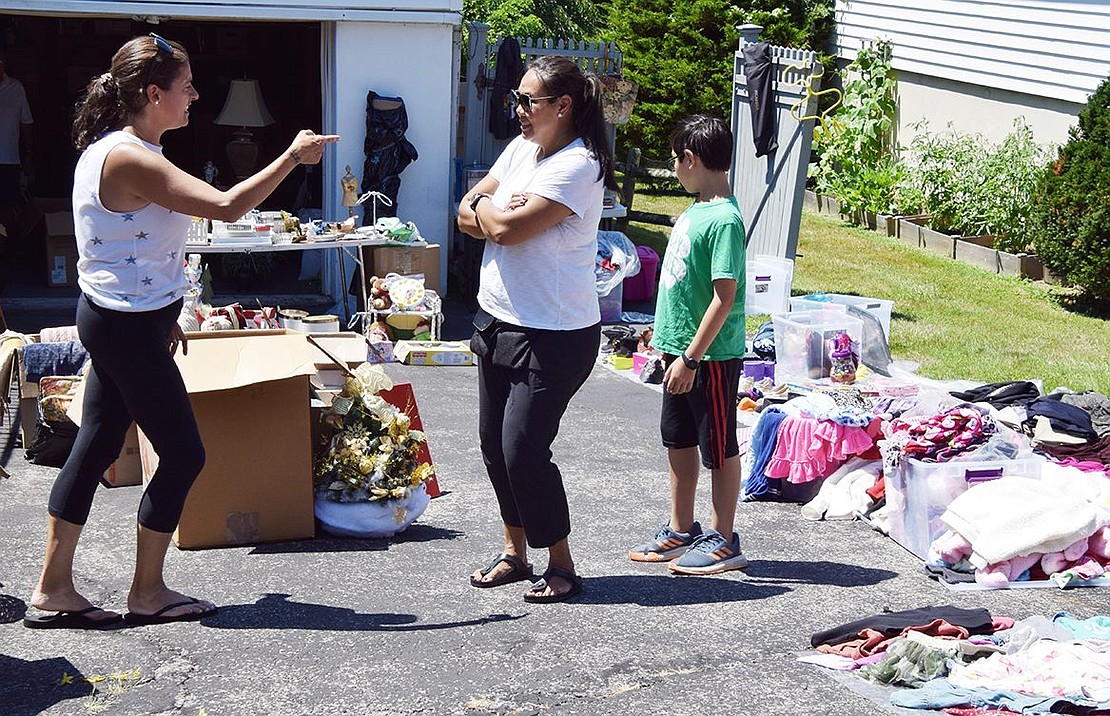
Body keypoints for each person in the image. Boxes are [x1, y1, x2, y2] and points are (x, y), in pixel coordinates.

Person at [24, 34, 338, 630]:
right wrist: (291, 157)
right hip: (126, 330)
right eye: (186, 85)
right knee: (185, 454)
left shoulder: (117, 149)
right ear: (152, 93)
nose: (194, 95)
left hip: (122, 323)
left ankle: (53, 587)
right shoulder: (131, 157)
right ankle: (144, 592)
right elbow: (224, 207)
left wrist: (164, 312)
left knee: (92, 448)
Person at [458, 55, 617, 603]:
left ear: (563, 106)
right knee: (491, 445)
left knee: (523, 448)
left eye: (529, 101)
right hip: (497, 317)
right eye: (517, 99)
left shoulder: (579, 165)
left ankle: (562, 563)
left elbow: (505, 230)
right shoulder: (524, 148)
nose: (519, 110)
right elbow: (467, 213)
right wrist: (493, 206)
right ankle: (514, 553)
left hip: (556, 333)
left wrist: (493, 210)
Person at [627, 114, 749, 575]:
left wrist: (692, 357)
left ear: (691, 159)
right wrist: (664, 341)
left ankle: (724, 538)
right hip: (678, 352)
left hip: (708, 357)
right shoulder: (698, 210)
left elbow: (724, 297)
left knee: (718, 445)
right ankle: (682, 529)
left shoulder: (724, 219)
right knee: (677, 439)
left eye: (677, 159)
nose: (676, 168)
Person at [0, 46, 33, 259]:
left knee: (7, 209)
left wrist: (29, 153)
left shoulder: (16, 88)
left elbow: (26, 123)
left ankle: (8, 254)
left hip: (9, 158)